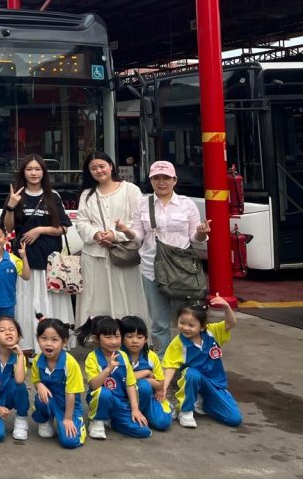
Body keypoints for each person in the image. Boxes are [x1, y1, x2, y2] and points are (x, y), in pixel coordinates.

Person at [130, 160, 211, 351]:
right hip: (151, 270)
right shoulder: (143, 204)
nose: (161, 182)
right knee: (159, 323)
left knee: (189, 320)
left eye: (166, 178)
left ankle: (190, 357)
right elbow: (138, 236)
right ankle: (162, 361)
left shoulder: (187, 204)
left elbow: (195, 239)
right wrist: (126, 231)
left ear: (174, 180)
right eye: (156, 178)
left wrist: (202, 233)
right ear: (151, 181)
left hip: (182, 272)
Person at [1, 155, 74, 352]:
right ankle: (27, 346)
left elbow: (64, 228)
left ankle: (53, 346)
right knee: (26, 299)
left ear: (44, 172)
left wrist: (40, 230)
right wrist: (11, 206)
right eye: (29, 169)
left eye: (37, 169)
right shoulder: (16, 195)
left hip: (50, 262)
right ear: (23, 172)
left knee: (50, 302)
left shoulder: (53, 196)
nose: (34, 173)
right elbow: (8, 228)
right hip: (25, 260)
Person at [74, 151, 147, 327]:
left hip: (123, 256)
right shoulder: (87, 194)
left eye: (102, 166)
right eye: (93, 168)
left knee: (126, 297)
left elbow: (138, 221)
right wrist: (96, 234)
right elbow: (81, 222)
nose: (99, 171)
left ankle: (129, 333)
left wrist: (116, 235)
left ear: (111, 166)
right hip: (94, 256)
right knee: (95, 299)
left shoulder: (130, 190)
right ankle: (97, 335)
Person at [161, 295, 242, 428]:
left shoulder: (212, 332)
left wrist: (226, 307)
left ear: (203, 326)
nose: (185, 328)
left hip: (215, 383)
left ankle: (202, 403)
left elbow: (231, 323)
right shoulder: (178, 343)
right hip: (193, 380)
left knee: (234, 419)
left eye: (191, 325)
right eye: (182, 323)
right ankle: (185, 411)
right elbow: (170, 366)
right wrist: (163, 388)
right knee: (192, 373)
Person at [77, 315, 151, 440]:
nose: (114, 341)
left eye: (117, 336)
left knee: (144, 431)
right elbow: (94, 385)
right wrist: (108, 368)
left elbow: (130, 384)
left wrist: (135, 409)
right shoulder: (92, 357)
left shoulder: (123, 356)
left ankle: (114, 421)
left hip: (120, 402)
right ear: (96, 338)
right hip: (102, 400)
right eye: (108, 337)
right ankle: (97, 419)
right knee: (104, 393)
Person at [30, 317, 85, 448]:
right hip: (50, 401)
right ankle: (45, 420)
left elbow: (71, 394)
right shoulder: (37, 360)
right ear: (38, 339)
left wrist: (68, 419)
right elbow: (36, 380)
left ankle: (79, 424)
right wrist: (39, 385)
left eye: (54, 340)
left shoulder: (70, 363)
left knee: (70, 442)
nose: (48, 344)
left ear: (64, 342)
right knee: (40, 398)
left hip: (69, 406)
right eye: (44, 338)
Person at [120, 314, 172, 431]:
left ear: (146, 340)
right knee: (143, 386)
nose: (135, 341)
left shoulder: (151, 357)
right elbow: (121, 380)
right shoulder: (118, 355)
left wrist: (149, 380)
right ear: (122, 338)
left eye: (140, 337)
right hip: (123, 397)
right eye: (129, 336)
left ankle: (143, 411)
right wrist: (146, 372)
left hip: (147, 397)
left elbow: (160, 385)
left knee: (163, 423)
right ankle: (132, 413)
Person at [0, 222, 30, 340]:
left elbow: (26, 276)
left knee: (7, 334)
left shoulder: (13, 259)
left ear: (6, 238)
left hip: (8, 304)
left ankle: (8, 352)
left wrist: (24, 257)